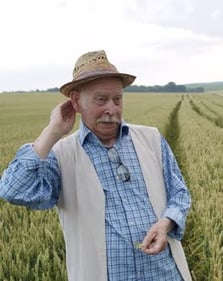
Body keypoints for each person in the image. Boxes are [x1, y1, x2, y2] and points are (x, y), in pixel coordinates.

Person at [0, 50, 192, 281]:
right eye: (101, 100)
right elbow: (13, 190)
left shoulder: (151, 139)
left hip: (164, 274)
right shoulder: (61, 156)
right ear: (76, 102)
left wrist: (165, 223)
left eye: (117, 99)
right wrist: (52, 132)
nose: (111, 109)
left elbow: (179, 193)